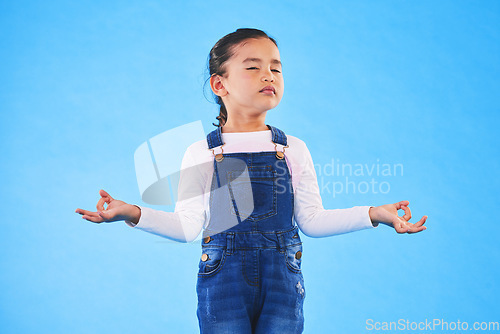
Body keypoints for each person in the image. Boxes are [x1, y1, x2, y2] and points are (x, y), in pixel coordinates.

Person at [75, 28, 427, 334]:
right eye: (253, 67)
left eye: (276, 68)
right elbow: (186, 228)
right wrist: (132, 212)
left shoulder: (292, 149)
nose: (268, 76)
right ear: (219, 84)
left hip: (282, 281)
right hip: (222, 280)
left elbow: (312, 222)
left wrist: (374, 214)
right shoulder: (202, 153)